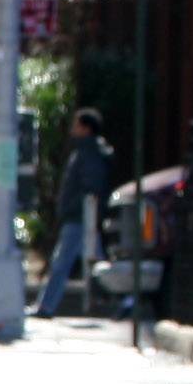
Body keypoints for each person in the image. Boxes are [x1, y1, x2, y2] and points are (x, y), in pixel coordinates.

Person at [33, 107, 118, 317]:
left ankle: (46, 306)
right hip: (82, 217)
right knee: (96, 262)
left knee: (62, 263)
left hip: (79, 218)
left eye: (77, 124)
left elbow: (90, 187)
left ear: (86, 128)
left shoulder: (88, 153)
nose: (73, 128)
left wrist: (70, 208)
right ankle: (116, 302)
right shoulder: (87, 151)